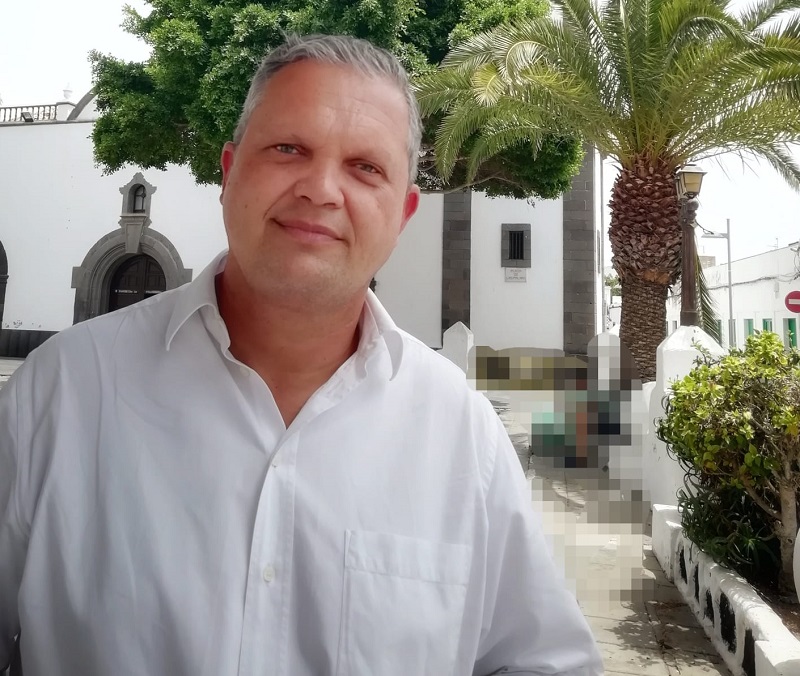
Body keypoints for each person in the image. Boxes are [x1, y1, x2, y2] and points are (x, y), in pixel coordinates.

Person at [0, 34, 603, 676]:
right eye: (289, 149)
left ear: (402, 215)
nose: (320, 190)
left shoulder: (462, 435)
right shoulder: (59, 394)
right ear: (229, 173)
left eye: (365, 167)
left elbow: (544, 660)